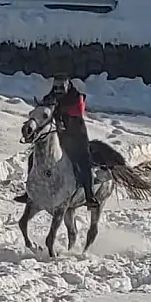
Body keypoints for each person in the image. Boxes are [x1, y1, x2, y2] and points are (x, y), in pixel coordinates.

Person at [50, 76, 98, 207]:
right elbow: (46, 106)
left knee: (84, 162)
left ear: (67, 86)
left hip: (77, 138)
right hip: (59, 137)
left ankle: (89, 195)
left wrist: (60, 109)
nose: (58, 91)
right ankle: (30, 192)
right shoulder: (52, 96)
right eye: (56, 88)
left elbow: (78, 109)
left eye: (61, 88)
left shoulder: (76, 97)